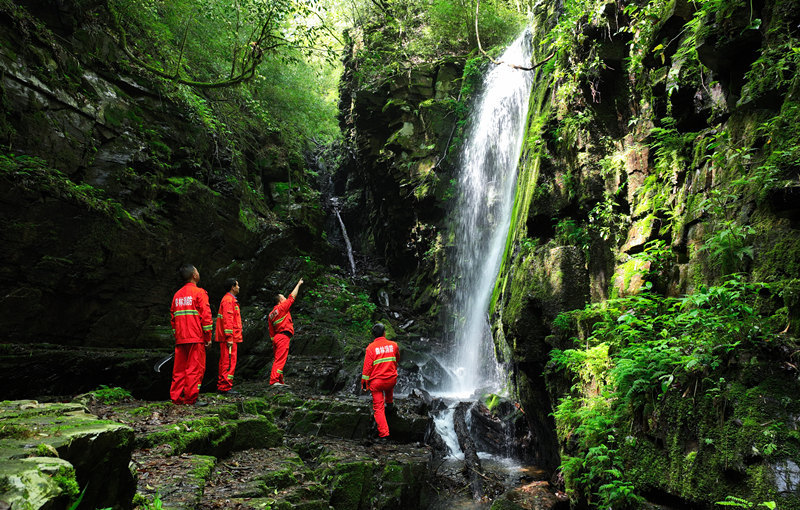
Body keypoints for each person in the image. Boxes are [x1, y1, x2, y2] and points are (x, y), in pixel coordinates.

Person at [169, 264, 213, 405]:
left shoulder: (177, 295)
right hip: (195, 337)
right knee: (194, 369)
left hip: (181, 339)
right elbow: (206, 317)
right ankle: (190, 399)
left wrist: (177, 336)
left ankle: (177, 398)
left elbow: (173, 319)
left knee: (179, 370)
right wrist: (208, 338)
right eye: (197, 271)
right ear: (194, 275)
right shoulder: (200, 293)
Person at [361, 323, 399, 440]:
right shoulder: (394, 345)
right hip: (391, 380)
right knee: (389, 383)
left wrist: (364, 385)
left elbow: (367, 368)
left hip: (377, 383)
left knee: (378, 408)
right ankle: (390, 403)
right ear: (384, 333)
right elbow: (397, 359)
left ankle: (384, 434)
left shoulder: (370, 348)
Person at [268, 278, 304, 386]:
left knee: (279, 358)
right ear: (280, 301)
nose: (285, 299)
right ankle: (274, 380)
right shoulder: (282, 307)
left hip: (276, 338)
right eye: (283, 298)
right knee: (280, 359)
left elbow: (271, 331)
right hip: (283, 336)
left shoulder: (271, 314)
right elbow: (292, 297)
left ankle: (279, 380)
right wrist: (298, 284)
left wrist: (274, 340)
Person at [215, 277, 242, 394]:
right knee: (229, 361)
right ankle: (225, 387)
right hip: (229, 338)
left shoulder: (230, 300)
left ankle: (223, 385)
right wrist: (229, 337)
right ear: (232, 287)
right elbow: (228, 320)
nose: (239, 287)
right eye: (237, 285)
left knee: (225, 361)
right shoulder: (228, 300)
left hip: (230, 337)